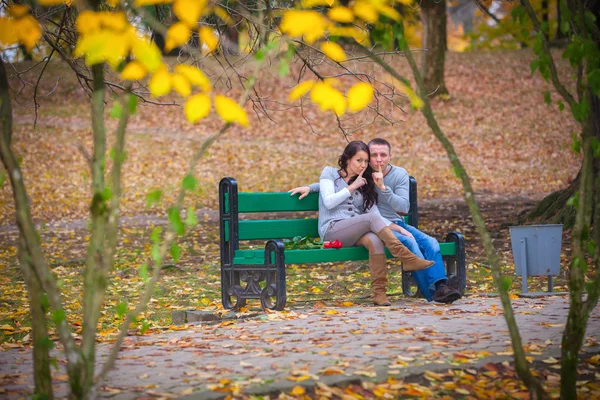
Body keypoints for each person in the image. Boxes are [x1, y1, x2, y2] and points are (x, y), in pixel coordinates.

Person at [290, 138, 461, 304]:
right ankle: (406, 257)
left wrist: (398, 228)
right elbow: (329, 200)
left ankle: (380, 293)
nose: (364, 165)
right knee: (375, 224)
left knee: (374, 240)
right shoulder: (331, 173)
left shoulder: (365, 183)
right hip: (332, 229)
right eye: (359, 160)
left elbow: (378, 214)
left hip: (357, 230)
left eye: (365, 161)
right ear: (347, 159)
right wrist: (346, 187)